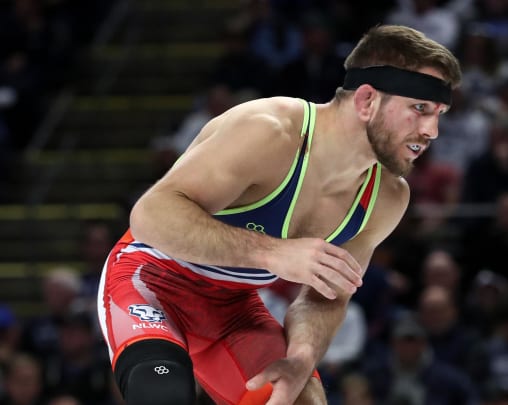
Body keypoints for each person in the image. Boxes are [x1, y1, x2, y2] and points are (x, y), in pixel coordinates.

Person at [96, 24, 461, 405]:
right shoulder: (269, 131)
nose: (432, 130)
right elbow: (151, 214)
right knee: (162, 393)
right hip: (150, 281)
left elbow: (328, 294)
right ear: (367, 101)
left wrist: (301, 358)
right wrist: (272, 253)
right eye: (420, 109)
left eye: (439, 114)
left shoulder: (387, 197)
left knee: (300, 396)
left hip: (233, 308)